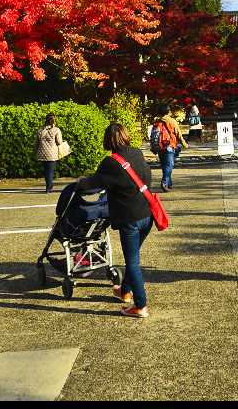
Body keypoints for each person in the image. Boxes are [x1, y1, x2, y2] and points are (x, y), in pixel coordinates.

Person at [76, 122, 155, 318]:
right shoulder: (137, 153)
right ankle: (125, 291)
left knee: (133, 261)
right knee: (133, 257)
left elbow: (91, 183)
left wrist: (78, 183)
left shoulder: (110, 163)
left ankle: (141, 305)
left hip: (130, 218)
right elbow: (148, 176)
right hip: (147, 213)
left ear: (108, 140)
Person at [154, 105, 188, 192]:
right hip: (169, 146)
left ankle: (169, 184)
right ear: (168, 112)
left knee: (165, 166)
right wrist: (184, 143)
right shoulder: (172, 121)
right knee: (169, 166)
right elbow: (178, 134)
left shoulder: (157, 122)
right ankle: (164, 183)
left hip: (160, 147)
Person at [33, 113, 63, 193]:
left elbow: (36, 142)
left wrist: (35, 152)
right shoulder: (56, 130)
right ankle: (48, 188)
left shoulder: (40, 130)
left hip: (42, 153)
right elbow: (59, 142)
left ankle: (48, 185)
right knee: (50, 171)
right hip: (52, 154)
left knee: (46, 171)